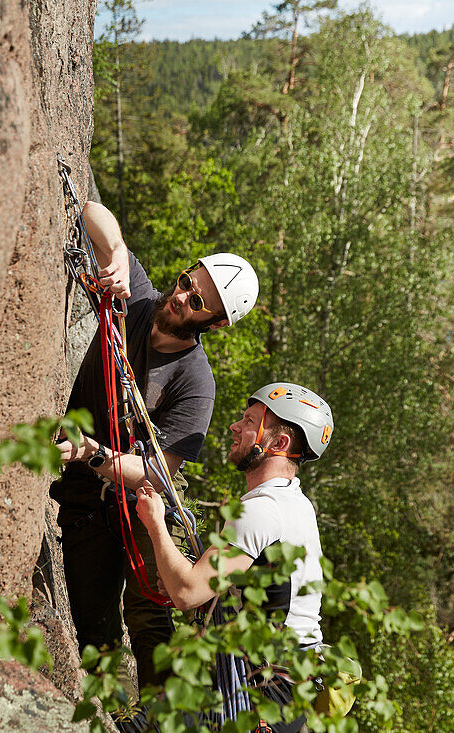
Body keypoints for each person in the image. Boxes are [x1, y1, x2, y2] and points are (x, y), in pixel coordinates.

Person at [49, 200, 259, 693]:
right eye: (188, 281)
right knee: (94, 629)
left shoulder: (195, 382)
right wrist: (118, 250)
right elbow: (88, 209)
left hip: (144, 498)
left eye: (198, 300)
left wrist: (91, 453)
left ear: (217, 323)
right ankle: (114, 712)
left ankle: (157, 716)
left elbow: (157, 469)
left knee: (149, 619)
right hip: (87, 495)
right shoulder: (138, 301)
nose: (183, 296)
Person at [135, 382, 334, 732]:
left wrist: (154, 524)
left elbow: (186, 593)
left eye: (249, 420)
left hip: (262, 692)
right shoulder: (295, 503)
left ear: (279, 443)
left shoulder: (263, 510)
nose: (235, 427)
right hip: (289, 687)